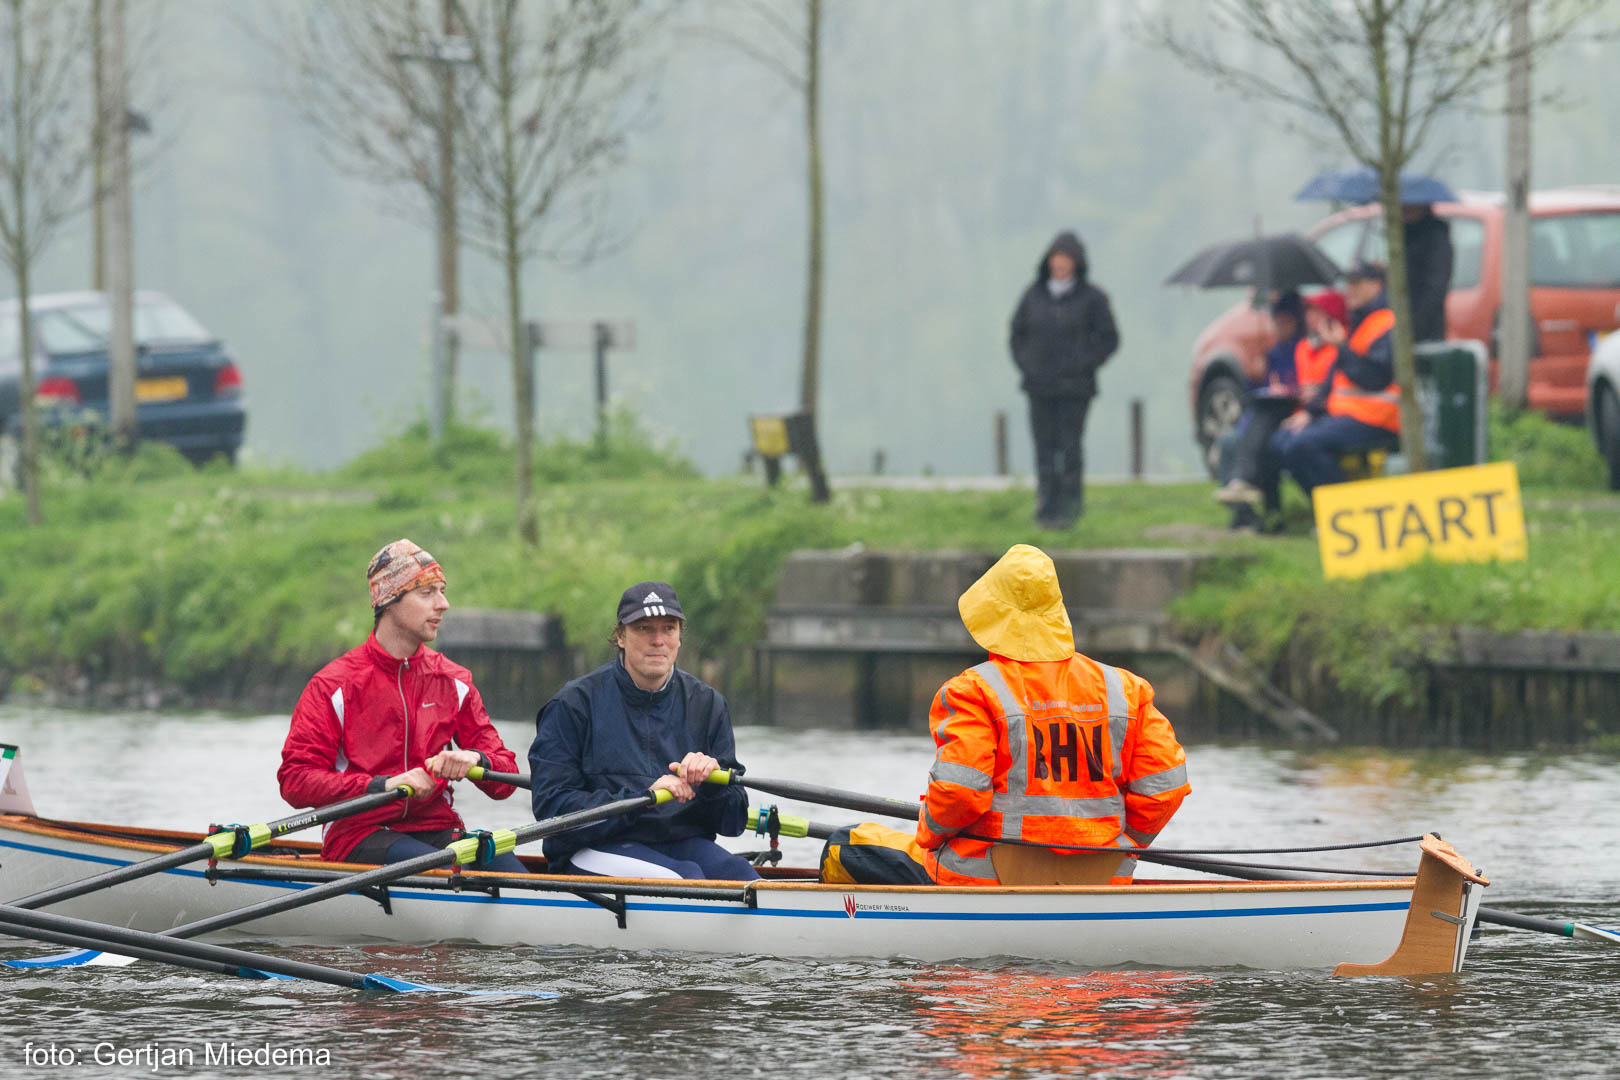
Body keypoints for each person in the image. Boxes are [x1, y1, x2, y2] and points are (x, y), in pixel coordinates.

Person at [850, 545, 1187, 887]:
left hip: (983, 880)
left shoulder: (973, 690)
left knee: (845, 846)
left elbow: (959, 793)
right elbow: (1166, 789)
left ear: (990, 617)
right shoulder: (1127, 690)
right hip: (1102, 878)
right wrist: (1124, 846)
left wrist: (928, 834)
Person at [278, 539, 527, 872]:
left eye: (442, 591)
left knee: (510, 869)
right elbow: (295, 781)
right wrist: (382, 785)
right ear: (389, 601)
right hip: (360, 834)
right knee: (444, 871)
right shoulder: (334, 685)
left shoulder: (454, 681)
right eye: (427, 593)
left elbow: (504, 782)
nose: (443, 604)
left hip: (437, 829)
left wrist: (475, 758)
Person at [528, 582, 757, 881]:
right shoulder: (573, 705)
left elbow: (733, 822)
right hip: (593, 846)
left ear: (679, 638)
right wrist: (645, 798)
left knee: (744, 876)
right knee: (685, 878)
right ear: (621, 637)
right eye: (643, 628)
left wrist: (714, 784)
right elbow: (551, 808)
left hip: (680, 841)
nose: (657, 640)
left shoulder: (708, 704)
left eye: (668, 628)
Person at [1008, 230, 1120, 529]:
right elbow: (1017, 334)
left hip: (1075, 389)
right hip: (1039, 387)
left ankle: (1071, 508)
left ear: (1077, 262)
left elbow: (1109, 339)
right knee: (1044, 449)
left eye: (1066, 258)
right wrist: (1028, 365)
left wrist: (1084, 364)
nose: (1060, 264)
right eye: (1056, 258)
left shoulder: (1093, 299)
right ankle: (1046, 506)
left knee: (1070, 448)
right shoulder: (1033, 296)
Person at [1276, 261, 1402, 499]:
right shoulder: (1359, 322)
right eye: (1347, 283)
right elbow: (1335, 379)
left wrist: (1341, 348)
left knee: (1303, 444)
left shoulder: (1387, 323)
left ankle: (1346, 507)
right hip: (1347, 414)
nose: (1349, 289)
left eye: (1356, 282)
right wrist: (1310, 412)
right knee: (1282, 441)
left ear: (1377, 285)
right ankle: (1325, 508)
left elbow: (1375, 378)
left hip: (1379, 418)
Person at [1230, 290, 1347, 527]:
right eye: (1309, 312)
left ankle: (1336, 509)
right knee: (1239, 441)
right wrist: (1255, 375)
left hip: (1320, 412)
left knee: (1281, 442)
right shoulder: (1299, 348)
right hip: (1297, 412)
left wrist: (1310, 401)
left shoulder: (1335, 347)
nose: (1311, 317)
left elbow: (1334, 384)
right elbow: (1262, 388)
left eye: (1317, 312)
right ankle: (1253, 512)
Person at [1211, 290, 1307, 521]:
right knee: (1228, 442)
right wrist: (1254, 376)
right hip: (1261, 418)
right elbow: (1254, 393)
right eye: (1277, 322)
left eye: (1285, 322)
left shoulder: (1302, 349)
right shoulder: (1271, 353)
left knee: (1261, 442)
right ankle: (1243, 514)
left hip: (1286, 414)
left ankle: (1245, 482)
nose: (1280, 327)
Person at [1403, 204, 1454, 344]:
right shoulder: (1404, 235)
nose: (1403, 211)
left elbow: (1435, 288)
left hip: (1425, 329)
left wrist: (1415, 326)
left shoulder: (1436, 238)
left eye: (1407, 207)